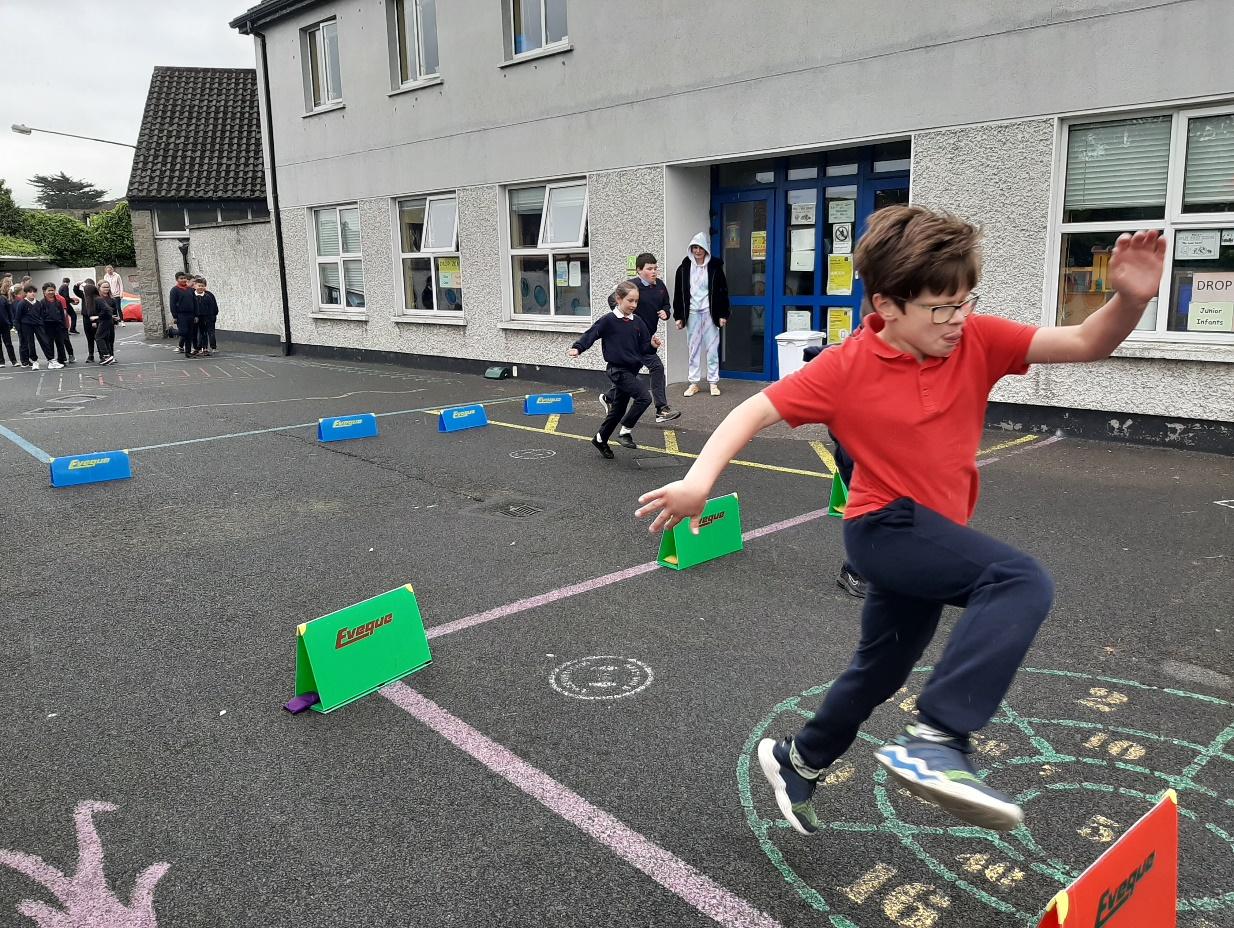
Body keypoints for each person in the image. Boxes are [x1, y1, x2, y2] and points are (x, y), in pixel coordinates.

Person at [636, 206, 1165, 834]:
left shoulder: (976, 339)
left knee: (882, 668)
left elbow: (1085, 342)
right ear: (887, 305)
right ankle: (938, 738)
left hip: (934, 539)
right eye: (940, 309)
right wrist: (698, 483)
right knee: (1018, 580)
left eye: (965, 302)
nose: (957, 319)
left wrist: (1130, 300)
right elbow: (753, 410)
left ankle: (799, 758)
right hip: (883, 528)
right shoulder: (846, 367)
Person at [567, 280, 659, 458]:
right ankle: (625, 431)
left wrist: (653, 346)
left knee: (617, 411)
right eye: (630, 301)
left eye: (636, 301)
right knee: (644, 397)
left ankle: (600, 439)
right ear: (619, 299)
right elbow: (591, 334)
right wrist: (578, 348)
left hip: (632, 371)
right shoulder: (608, 320)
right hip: (617, 370)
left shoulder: (638, 322)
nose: (634, 305)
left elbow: (644, 348)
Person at [601, 254, 680, 424]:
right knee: (656, 367)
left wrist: (666, 312)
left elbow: (666, 304)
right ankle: (661, 409)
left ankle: (609, 397)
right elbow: (612, 300)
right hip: (632, 340)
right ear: (639, 270)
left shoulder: (660, 286)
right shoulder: (631, 286)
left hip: (646, 339)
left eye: (655, 268)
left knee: (633, 373)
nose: (654, 272)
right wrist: (625, 318)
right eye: (649, 269)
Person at [673, 232, 730, 397]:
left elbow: (723, 292)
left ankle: (713, 382)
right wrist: (679, 316)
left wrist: (723, 314)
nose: (697, 251)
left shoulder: (715, 268)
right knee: (693, 348)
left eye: (700, 248)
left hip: (709, 312)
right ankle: (694, 383)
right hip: (692, 313)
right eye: (695, 247)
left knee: (712, 348)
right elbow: (678, 294)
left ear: (706, 249)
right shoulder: (683, 269)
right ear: (691, 249)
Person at [37, 283, 70, 368]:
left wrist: (64, 325)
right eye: (49, 290)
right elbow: (40, 316)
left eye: (52, 290)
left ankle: (61, 359)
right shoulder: (41, 303)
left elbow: (62, 315)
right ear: (44, 291)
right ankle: (51, 360)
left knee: (60, 343)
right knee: (49, 344)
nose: (51, 292)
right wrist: (42, 328)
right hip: (47, 326)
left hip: (58, 325)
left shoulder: (58, 302)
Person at [16, 284, 45, 369]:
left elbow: (41, 314)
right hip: (24, 326)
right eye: (30, 292)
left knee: (39, 342)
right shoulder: (22, 303)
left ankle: (33, 360)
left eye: (34, 291)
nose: (32, 293)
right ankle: (25, 361)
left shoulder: (38, 303)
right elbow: (17, 317)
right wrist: (18, 328)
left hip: (36, 325)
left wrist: (41, 323)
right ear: (26, 293)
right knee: (25, 344)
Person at [92, 280, 120, 365]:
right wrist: (94, 321)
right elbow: (95, 311)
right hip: (101, 321)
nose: (106, 289)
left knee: (110, 339)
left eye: (107, 287)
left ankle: (111, 356)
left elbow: (115, 311)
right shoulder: (97, 299)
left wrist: (116, 322)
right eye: (104, 287)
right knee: (101, 339)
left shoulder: (112, 299)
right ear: (99, 288)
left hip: (110, 321)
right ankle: (103, 356)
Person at [191, 276, 219, 355]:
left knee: (203, 333)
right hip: (195, 317)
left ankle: (205, 348)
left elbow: (211, 308)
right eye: (199, 285)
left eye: (202, 286)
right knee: (194, 333)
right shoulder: (191, 296)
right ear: (195, 285)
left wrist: (211, 317)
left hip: (205, 317)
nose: (201, 287)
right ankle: (196, 348)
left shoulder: (207, 297)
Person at [75, 278, 101, 362]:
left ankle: (102, 354)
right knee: (89, 337)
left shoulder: (96, 296)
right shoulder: (83, 295)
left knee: (98, 337)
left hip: (95, 317)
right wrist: (77, 285)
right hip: (86, 317)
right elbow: (76, 291)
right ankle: (91, 355)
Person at [0, 284, 16, 367]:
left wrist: (11, 323)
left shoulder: (3, 299)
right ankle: (1, 362)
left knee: (8, 343)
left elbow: (9, 312)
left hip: (5, 324)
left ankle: (14, 361)